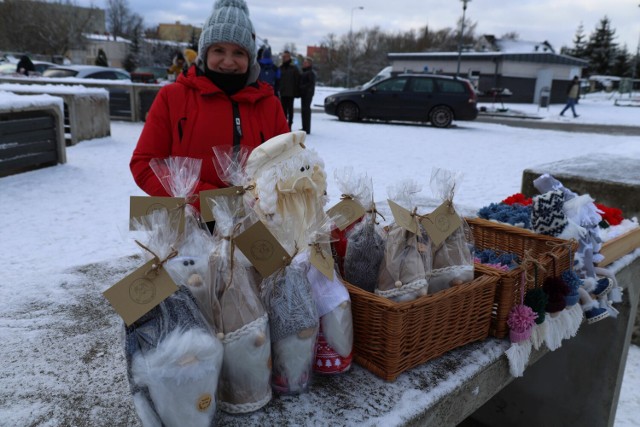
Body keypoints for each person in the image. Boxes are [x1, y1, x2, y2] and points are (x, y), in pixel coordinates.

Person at [130, 0, 289, 211]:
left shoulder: (270, 105)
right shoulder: (172, 97)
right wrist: (208, 204)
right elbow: (144, 165)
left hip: (256, 230)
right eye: (219, 50)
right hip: (189, 229)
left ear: (250, 58)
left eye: (239, 53)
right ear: (205, 53)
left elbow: (289, 169)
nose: (228, 61)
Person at [278, 50, 300, 130]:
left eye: (285, 56)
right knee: (283, 110)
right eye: (283, 56)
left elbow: (297, 80)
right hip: (282, 92)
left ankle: (289, 124)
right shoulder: (280, 68)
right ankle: (283, 125)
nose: (284, 58)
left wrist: (296, 92)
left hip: (291, 93)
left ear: (289, 57)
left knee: (290, 110)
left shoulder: (294, 68)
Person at [299, 57, 316, 134]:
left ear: (309, 64)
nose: (304, 64)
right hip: (304, 94)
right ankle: (304, 127)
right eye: (304, 62)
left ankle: (307, 129)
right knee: (304, 111)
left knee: (306, 110)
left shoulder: (310, 73)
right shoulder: (305, 72)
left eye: (306, 63)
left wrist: (302, 87)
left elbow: (310, 84)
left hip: (307, 94)